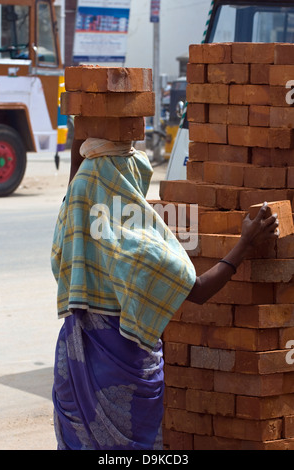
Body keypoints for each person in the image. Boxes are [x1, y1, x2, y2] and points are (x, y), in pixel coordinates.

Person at [51, 138, 279, 450]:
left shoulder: (73, 216)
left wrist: (86, 121)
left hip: (73, 366)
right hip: (122, 378)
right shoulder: (138, 242)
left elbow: (79, 179)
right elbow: (197, 290)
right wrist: (245, 243)